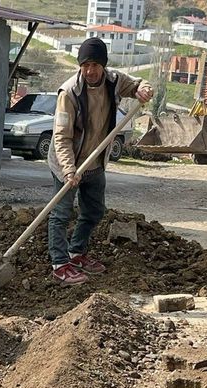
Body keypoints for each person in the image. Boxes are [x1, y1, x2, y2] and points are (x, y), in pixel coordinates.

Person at [47, 38, 153, 286]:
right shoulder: (69, 93)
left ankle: (77, 252)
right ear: (80, 66)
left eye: (95, 65)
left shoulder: (114, 81)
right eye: (85, 65)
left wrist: (144, 89)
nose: (90, 70)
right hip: (67, 162)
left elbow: (139, 84)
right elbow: (61, 137)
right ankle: (60, 264)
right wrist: (68, 169)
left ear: (103, 65)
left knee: (94, 211)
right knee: (61, 214)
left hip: (95, 162)